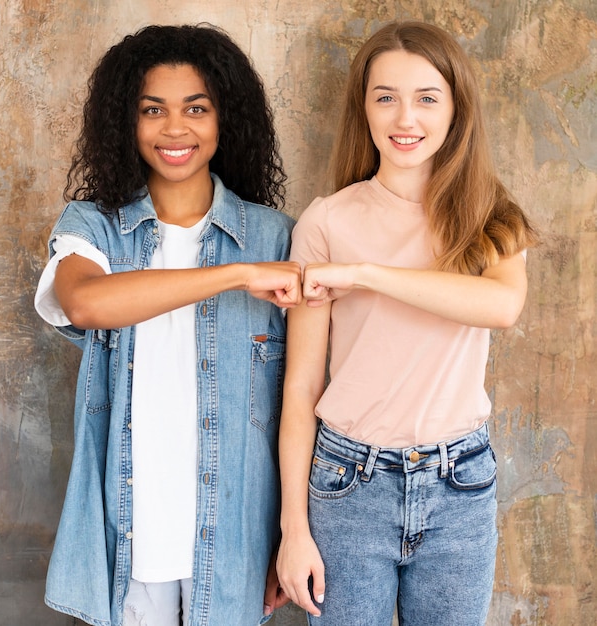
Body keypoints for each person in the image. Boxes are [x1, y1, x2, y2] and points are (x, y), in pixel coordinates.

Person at [34, 24, 299, 626]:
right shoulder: (92, 227)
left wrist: (288, 534)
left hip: (236, 533)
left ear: (224, 120)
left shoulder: (274, 236)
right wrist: (234, 276)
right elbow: (86, 304)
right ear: (125, 122)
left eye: (196, 109)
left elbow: (298, 402)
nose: (174, 129)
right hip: (134, 530)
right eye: (153, 110)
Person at [276, 20, 537, 626]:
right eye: (385, 97)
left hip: (461, 485)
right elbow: (301, 387)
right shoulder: (325, 223)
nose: (405, 119)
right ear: (363, 109)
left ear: (455, 109)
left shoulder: (490, 216)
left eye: (426, 98)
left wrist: (365, 274)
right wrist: (294, 527)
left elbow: (500, 307)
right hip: (348, 484)